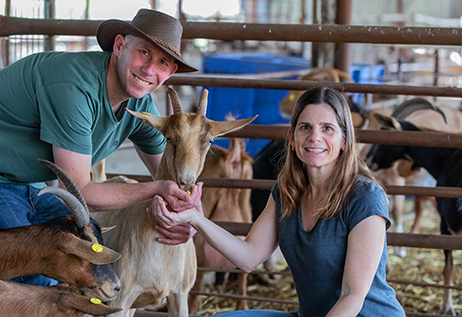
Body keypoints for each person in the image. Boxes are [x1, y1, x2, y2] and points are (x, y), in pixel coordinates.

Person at [0, 8, 201, 287]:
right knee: (37, 275)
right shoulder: (74, 86)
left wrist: (188, 218)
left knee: (87, 248)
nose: (149, 70)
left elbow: (169, 174)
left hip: (29, 186)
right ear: (120, 45)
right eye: (144, 53)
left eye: (162, 62)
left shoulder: (140, 105)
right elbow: (79, 190)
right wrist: (156, 189)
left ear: (169, 72)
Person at [150, 87, 406, 316]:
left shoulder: (365, 197)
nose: (315, 137)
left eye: (327, 128)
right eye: (306, 127)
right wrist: (196, 217)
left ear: (344, 141)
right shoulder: (287, 193)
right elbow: (248, 257)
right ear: (292, 139)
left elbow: (353, 296)